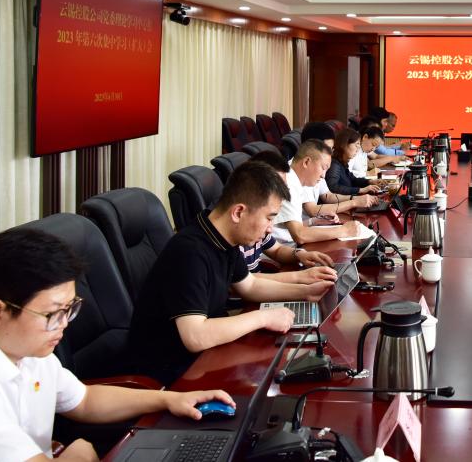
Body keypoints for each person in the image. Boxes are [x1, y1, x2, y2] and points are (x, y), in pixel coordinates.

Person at [0, 228, 235, 460]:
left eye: (69, 309)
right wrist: (79, 454)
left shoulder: (28, 349)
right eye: (53, 314)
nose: (64, 324)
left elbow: (84, 400)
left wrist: (171, 399)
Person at [129, 161, 333, 385]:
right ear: (238, 212)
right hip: (173, 374)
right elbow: (195, 336)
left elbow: (250, 285)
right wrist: (264, 317)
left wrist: (306, 292)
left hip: (207, 356)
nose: (270, 228)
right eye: (269, 217)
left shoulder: (223, 238)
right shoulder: (189, 252)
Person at [243, 151, 338, 283]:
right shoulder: (238, 233)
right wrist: (300, 278)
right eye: (279, 186)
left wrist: (300, 254)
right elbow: (246, 282)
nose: (270, 229)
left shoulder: (257, 221)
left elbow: (277, 250)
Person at [272, 140, 370, 244]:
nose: (323, 175)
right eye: (323, 168)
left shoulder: (295, 180)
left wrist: (314, 221)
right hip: (283, 247)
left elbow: (291, 226)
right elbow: (300, 235)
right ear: (306, 162)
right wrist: (344, 231)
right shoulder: (288, 183)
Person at [327, 128, 382, 195]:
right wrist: (361, 190)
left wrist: (370, 182)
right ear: (344, 144)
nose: (358, 148)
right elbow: (333, 188)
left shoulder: (343, 163)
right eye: (357, 144)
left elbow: (353, 179)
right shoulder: (334, 164)